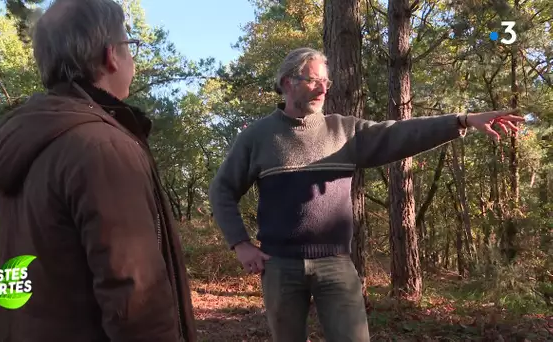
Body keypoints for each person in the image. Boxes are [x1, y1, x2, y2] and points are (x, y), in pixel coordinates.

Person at [208, 47, 524, 342]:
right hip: (279, 266)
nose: (322, 89)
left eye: (325, 81)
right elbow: (222, 190)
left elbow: (401, 132)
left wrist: (461, 120)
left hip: (336, 264)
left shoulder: (344, 131)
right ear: (288, 83)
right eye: (313, 80)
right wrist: (241, 244)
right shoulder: (257, 136)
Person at [0, 0, 197, 341]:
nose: (133, 59)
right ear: (111, 55)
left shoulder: (29, 142)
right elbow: (136, 300)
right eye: (131, 46)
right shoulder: (101, 147)